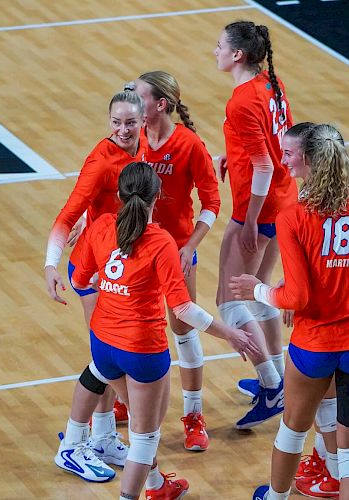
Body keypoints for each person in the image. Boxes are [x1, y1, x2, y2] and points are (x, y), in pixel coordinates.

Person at [230, 123, 349, 500]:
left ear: (308, 160)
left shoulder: (294, 216)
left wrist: (256, 289)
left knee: (292, 430)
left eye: (288, 154)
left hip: (315, 345)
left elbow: (298, 297)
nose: (283, 159)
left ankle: (275, 497)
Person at [71, 161, 258, 500]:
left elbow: (79, 280)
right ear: (158, 197)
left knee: (143, 423)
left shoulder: (99, 227)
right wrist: (228, 333)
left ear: (119, 195)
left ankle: (157, 485)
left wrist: (107, 281)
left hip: (103, 344)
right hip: (142, 349)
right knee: (145, 435)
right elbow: (183, 308)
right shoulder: (160, 241)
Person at [45, 90, 147, 481]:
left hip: (119, 265)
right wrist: (49, 265)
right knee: (104, 357)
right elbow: (67, 213)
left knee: (110, 356)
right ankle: (72, 445)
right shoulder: (100, 161)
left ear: (142, 122)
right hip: (94, 269)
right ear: (108, 122)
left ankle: (102, 436)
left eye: (130, 122)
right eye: (116, 122)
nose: (123, 129)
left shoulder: (144, 147)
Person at [128, 70, 221, 452]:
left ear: (160, 104)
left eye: (138, 97)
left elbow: (212, 203)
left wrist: (189, 247)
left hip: (176, 249)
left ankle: (194, 415)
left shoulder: (189, 145)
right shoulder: (130, 137)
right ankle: (124, 398)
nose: (131, 103)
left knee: (182, 325)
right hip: (135, 247)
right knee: (131, 326)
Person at [214, 20, 297, 429]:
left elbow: (263, 163)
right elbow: (275, 144)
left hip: (258, 209)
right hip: (284, 202)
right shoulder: (271, 84)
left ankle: (271, 384)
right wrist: (235, 155)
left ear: (237, 55)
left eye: (219, 46)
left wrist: (247, 222)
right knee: (261, 293)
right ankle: (281, 377)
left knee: (229, 300)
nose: (214, 52)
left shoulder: (241, 101)